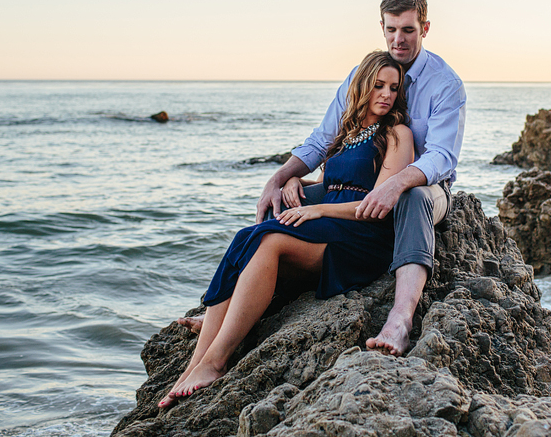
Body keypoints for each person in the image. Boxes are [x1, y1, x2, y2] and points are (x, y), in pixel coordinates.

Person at [179, 0, 467, 357]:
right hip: (362, 186)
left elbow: (442, 155)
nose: (399, 39)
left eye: (408, 30)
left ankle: (400, 318)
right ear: (381, 26)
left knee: (412, 197)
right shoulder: (362, 75)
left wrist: (396, 183)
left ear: (424, 28)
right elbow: (324, 139)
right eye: (391, 29)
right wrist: (279, 178)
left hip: (427, 187)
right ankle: (232, 308)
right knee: (280, 205)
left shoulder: (445, 83)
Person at [160, 50, 413, 408]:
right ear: (362, 87)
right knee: (246, 236)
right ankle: (194, 366)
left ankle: (215, 362)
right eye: (378, 86)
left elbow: (375, 204)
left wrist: (317, 211)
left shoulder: (397, 134)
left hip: (362, 236)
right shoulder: (347, 132)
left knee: (270, 240)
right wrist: (295, 178)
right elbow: (334, 182)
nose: (386, 94)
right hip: (330, 224)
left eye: (393, 87)